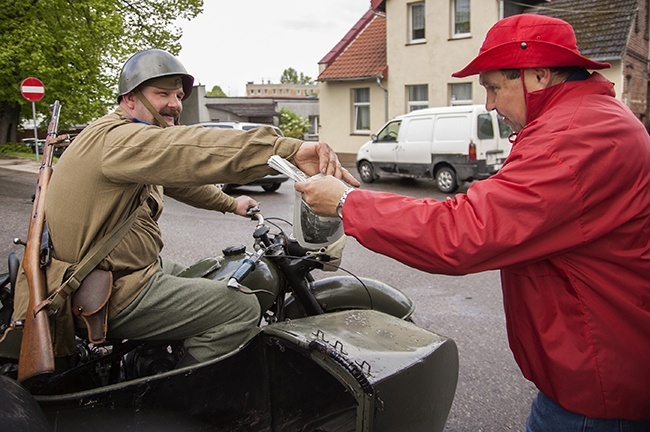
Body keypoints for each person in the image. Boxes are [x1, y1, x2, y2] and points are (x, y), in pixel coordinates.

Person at [296, 14, 650, 431]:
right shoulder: (587, 119)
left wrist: (346, 203)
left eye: (494, 87)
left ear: (536, 74)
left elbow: (463, 231)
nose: (490, 105)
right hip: (602, 363)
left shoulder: (569, 139)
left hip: (595, 388)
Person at [13, 48, 358, 366]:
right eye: (162, 94)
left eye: (178, 96)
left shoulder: (126, 139)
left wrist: (231, 203)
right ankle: (181, 395)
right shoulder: (118, 139)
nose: (175, 104)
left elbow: (178, 179)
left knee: (213, 269)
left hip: (129, 269)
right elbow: (190, 148)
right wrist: (285, 150)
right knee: (238, 306)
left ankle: (170, 350)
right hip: (111, 289)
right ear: (129, 99)